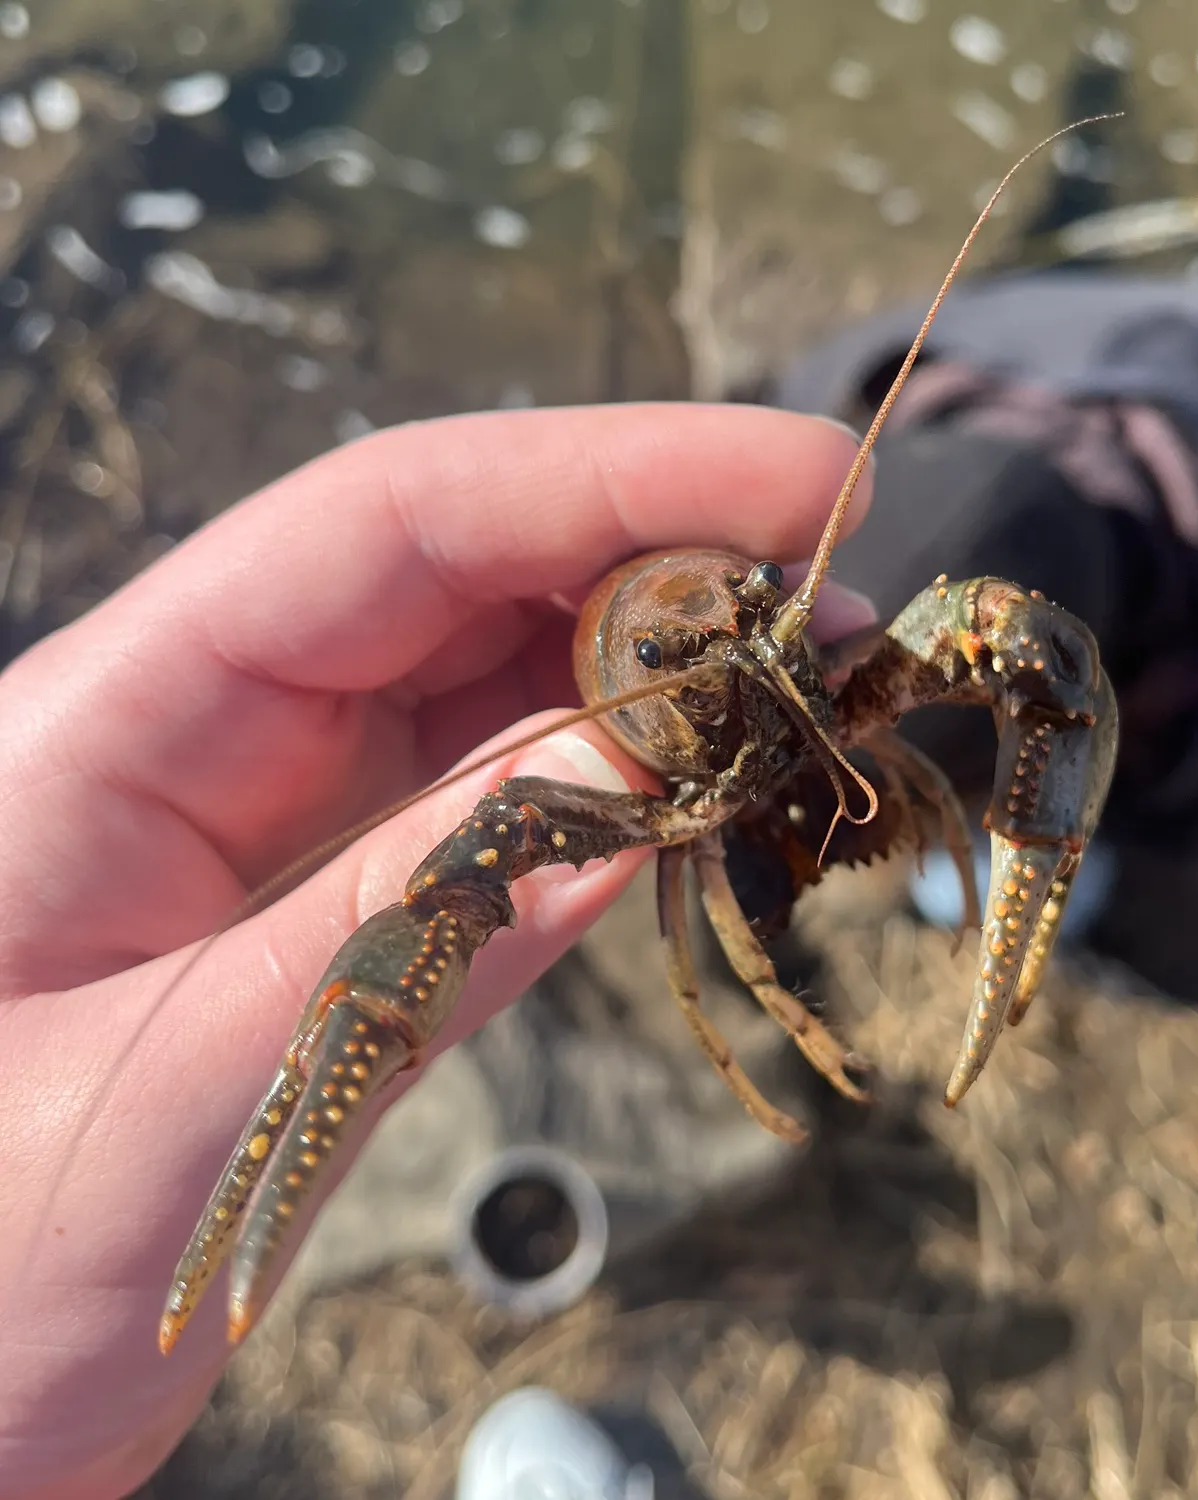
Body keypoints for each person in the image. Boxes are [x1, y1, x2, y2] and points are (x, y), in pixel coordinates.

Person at [0, 404, 876, 1500]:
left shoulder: (769, 641)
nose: (744, 638)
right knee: (701, 956)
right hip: (660, 792)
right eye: (679, 655)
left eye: (756, 609)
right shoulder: (609, 751)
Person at [775, 269, 1198, 1000]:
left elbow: (1190, 942)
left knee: (974, 896)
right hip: (1177, 336)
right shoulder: (839, 399)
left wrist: (1132, 959)